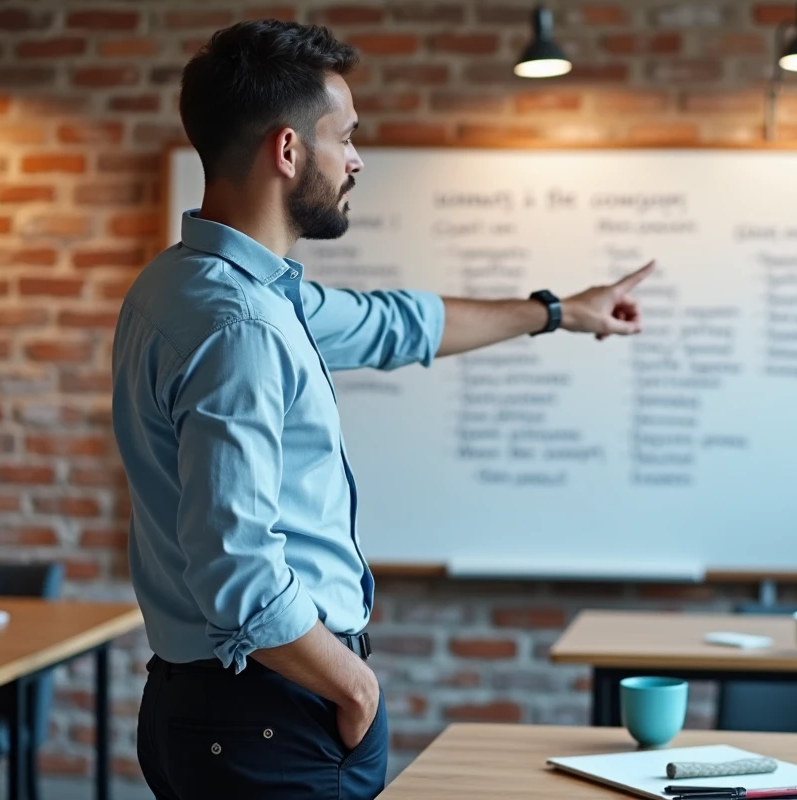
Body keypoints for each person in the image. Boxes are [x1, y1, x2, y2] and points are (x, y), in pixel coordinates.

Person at [111, 18, 654, 800]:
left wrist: (562, 310)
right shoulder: (242, 329)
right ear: (288, 151)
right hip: (271, 716)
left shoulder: (184, 287)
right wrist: (354, 688)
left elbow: (398, 324)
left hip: (212, 707)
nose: (358, 158)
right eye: (348, 136)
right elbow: (238, 572)